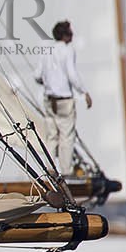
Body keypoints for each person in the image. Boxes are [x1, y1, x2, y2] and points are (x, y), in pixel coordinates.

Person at [35, 20, 92, 175]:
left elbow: (37, 76)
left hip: (49, 99)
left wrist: (48, 82)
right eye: (70, 32)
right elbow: (72, 75)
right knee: (66, 136)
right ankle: (66, 172)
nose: (72, 35)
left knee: (51, 135)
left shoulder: (47, 51)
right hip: (64, 100)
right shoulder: (68, 50)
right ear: (65, 36)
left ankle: (50, 168)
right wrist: (84, 92)